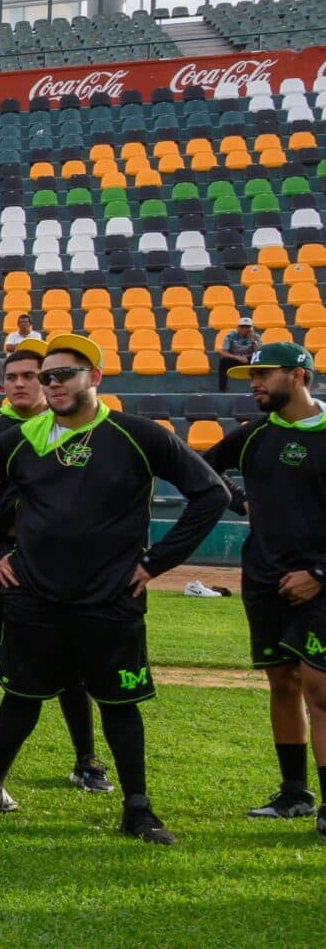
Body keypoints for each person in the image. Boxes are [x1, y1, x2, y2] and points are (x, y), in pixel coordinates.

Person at [0, 334, 225, 841]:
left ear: (94, 378)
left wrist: (156, 562)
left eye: (64, 374)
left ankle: (138, 809)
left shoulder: (139, 435)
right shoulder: (23, 438)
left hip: (110, 599)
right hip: (35, 596)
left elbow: (211, 493)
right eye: (46, 376)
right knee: (21, 695)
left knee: (119, 705)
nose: (52, 384)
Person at [0, 343, 109, 788]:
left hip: (52, 564)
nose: (19, 384)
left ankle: (86, 759)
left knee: (69, 663)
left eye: (30, 376)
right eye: (11, 377)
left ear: (49, 380)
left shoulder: (73, 428)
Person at [204, 341, 326, 828]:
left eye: (263, 374)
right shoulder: (253, 435)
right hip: (263, 579)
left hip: (320, 584)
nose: (253, 383)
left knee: (320, 690)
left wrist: (319, 575)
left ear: (298, 375)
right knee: (283, 682)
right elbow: (201, 469)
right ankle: (294, 793)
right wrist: (240, 502)